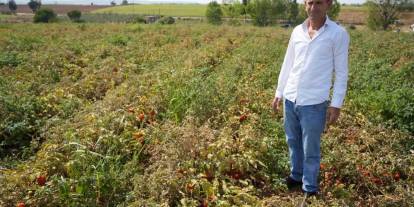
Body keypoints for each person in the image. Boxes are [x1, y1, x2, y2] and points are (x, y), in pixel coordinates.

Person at [272, 0, 350, 200]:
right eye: (310, 2)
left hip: (314, 102)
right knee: (292, 140)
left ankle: (310, 186)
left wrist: (336, 104)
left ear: (328, 4)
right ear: (305, 4)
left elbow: (341, 73)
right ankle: (296, 176)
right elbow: (288, 62)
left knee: (311, 146)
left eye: (319, 3)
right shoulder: (297, 31)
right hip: (291, 98)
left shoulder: (337, 34)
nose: (314, 7)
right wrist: (279, 92)